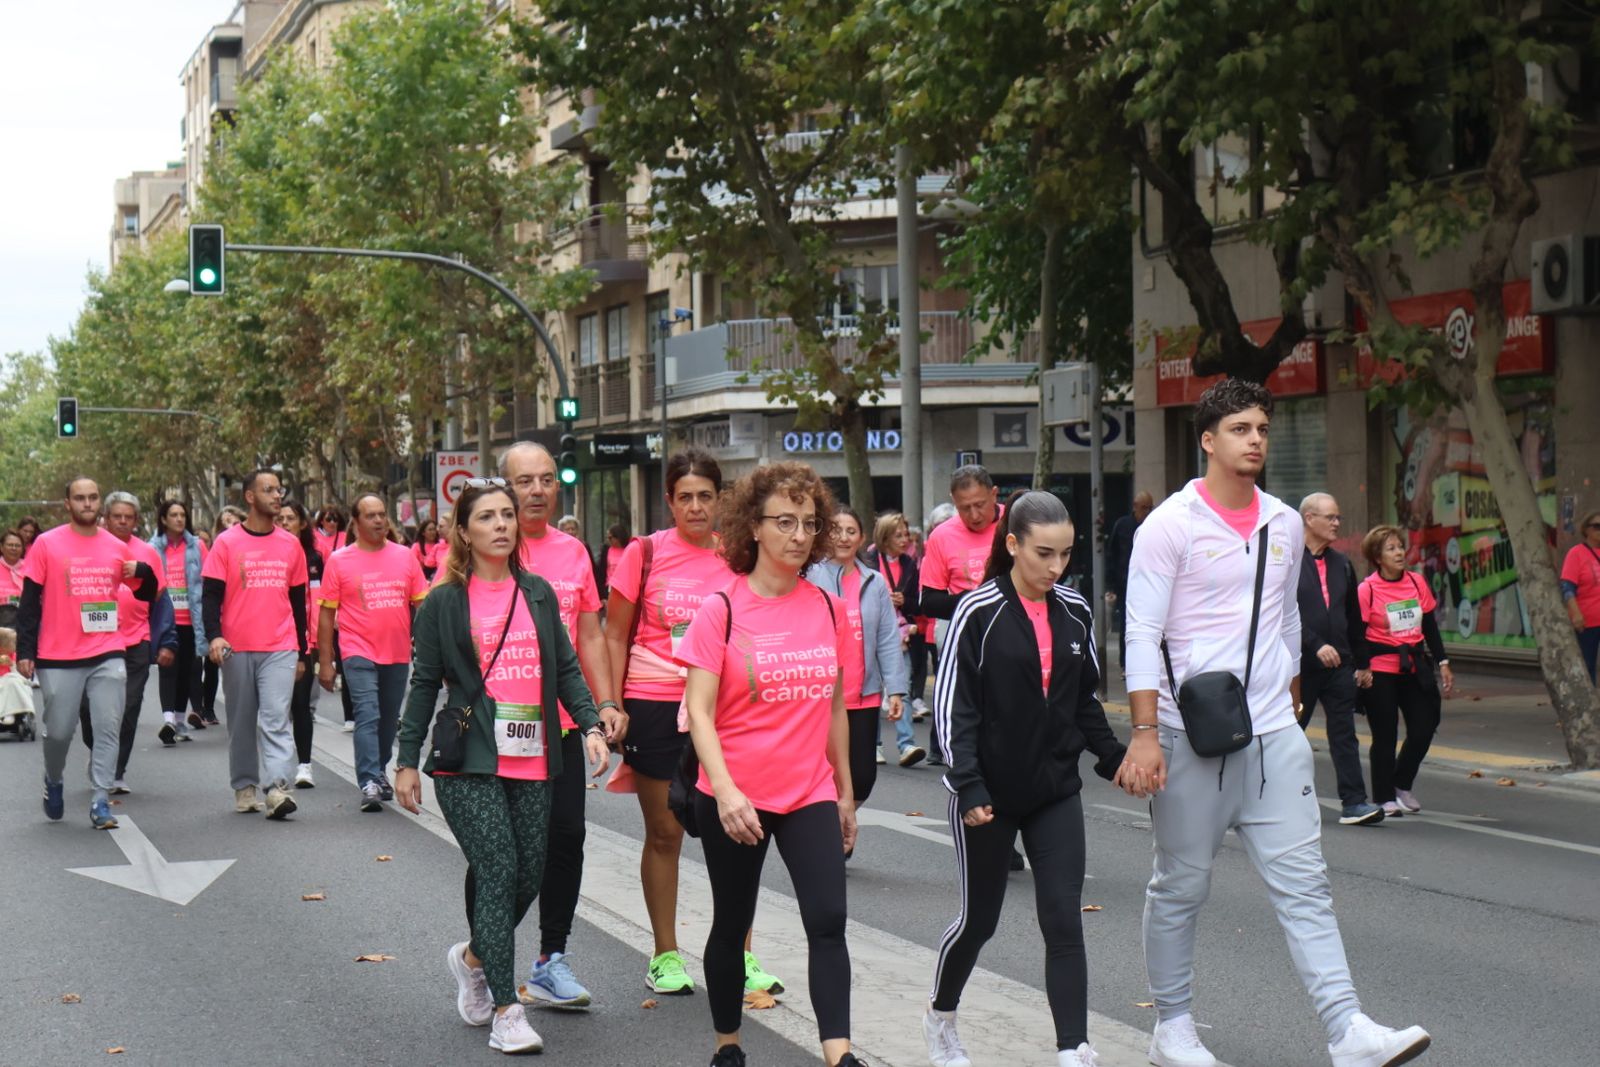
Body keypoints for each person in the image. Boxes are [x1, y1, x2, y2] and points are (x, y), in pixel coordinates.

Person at [1122, 379, 1430, 1067]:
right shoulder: (1169, 525)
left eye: (1262, 427)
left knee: (1306, 885)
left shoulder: (1285, 523)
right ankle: (1172, 1028)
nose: (1255, 439)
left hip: (1272, 736)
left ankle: (1348, 1030)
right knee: (1180, 886)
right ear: (1208, 440)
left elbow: (1287, 616)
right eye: (1240, 428)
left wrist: (1290, 695)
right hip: (1188, 734)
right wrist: (1144, 733)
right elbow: (1140, 632)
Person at [393, 479, 610, 1057]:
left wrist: (590, 723)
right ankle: (507, 1010)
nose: (501, 525)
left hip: (534, 756)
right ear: (464, 532)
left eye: (507, 515)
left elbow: (566, 667)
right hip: (468, 759)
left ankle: (472, 959)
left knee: (527, 878)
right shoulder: (443, 601)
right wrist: (406, 760)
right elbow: (423, 684)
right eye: (486, 517)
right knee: (497, 868)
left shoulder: (537, 593)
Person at [926, 491, 1126, 1067]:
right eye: (1044, 553)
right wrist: (968, 784)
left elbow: (1083, 700)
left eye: (1065, 554)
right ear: (1013, 545)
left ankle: (1073, 1047)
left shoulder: (1075, 610)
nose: (1056, 567)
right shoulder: (977, 611)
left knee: (1063, 918)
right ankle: (941, 1017)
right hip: (988, 794)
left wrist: (1113, 759)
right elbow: (954, 709)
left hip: (1054, 790)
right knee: (978, 922)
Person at [677, 461, 864, 1067]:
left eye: (810, 523)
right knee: (733, 923)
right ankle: (728, 1044)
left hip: (808, 790)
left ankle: (839, 1055)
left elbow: (834, 705)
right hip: (735, 795)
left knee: (829, 919)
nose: (799, 535)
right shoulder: (721, 608)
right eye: (785, 522)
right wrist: (725, 791)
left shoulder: (829, 608)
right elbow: (699, 711)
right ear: (753, 527)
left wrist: (844, 792)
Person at [606, 448, 783, 998]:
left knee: (739, 833)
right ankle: (665, 955)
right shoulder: (644, 553)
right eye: (685, 497)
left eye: (705, 496)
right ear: (670, 501)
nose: (696, 507)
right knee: (665, 832)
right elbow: (614, 634)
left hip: (726, 706)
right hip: (655, 700)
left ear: (720, 499)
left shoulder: (738, 555)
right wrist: (612, 704)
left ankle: (740, 954)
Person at [487, 443, 625, 1008]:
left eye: (547, 479)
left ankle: (551, 959)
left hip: (563, 724)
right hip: (500, 725)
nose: (538, 490)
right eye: (525, 481)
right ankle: (484, 954)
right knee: (506, 852)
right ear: (504, 487)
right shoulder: (483, 550)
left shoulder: (573, 553)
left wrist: (605, 702)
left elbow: (589, 634)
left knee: (566, 836)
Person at [15, 478, 157, 829]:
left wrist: (144, 572)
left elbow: (145, 593)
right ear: (68, 504)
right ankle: (53, 778)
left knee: (108, 726)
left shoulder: (116, 547)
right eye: (80, 498)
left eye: (93, 497)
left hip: (107, 649)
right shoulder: (47, 544)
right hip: (58, 655)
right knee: (59, 732)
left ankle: (100, 800)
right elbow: (29, 602)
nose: (87, 503)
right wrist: (25, 650)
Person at [202, 469, 309, 820]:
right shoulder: (226, 543)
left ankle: (277, 788)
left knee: (276, 718)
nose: (277, 496)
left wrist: (303, 652)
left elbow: (298, 602)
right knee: (242, 720)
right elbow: (210, 596)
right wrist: (214, 635)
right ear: (250, 497)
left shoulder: (291, 544)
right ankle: (245, 785)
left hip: (280, 645)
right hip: (237, 646)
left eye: (279, 490)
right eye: (269, 490)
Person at [318, 493, 430, 812]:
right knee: (367, 713)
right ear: (356, 522)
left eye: (382, 514)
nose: (379, 520)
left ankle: (378, 771)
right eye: (371, 515)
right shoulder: (339, 560)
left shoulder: (405, 556)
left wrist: (430, 650)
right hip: (357, 650)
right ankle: (368, 779)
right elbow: (326, 614)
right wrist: (325, 662)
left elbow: (422, 606)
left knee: (388, 720)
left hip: (396, 652)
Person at [807, 505, 909, 845]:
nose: (843, 537)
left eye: (851, 531)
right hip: (821, 697)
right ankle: (830, 838)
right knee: (825, 774)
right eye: (836, 530)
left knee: (862, 778)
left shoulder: (874, 581)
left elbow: (887, 637)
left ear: (862, 538)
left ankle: (841, 822)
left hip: (863, 695)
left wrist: (896, 689)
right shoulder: (809, 577)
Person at [78, 492, 179, 795]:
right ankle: (99, 752)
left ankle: (115, 771)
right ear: (105, 518)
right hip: (93, 641)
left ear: (136, 521)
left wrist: (168, 641)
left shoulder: (147, 553)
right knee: (88, 708)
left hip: (136, 641)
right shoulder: (89, 547)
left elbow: (161, 600)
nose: (122, 521)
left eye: (129, 517)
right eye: (117, 516)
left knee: (129, 706)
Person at [1296, 494, 1383, 826]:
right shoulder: (1288, 561)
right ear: (1309, 519)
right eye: (1330, 517)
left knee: (1344, 734)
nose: (1336, 524)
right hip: (1300, 667)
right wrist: (1314, 644)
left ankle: (1354, 802)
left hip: (1339, 665)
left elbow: (1353, 616)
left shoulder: (1341, 564)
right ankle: (1266, 798)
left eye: (1338, 518)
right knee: (1289, 735)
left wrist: (1362, 662)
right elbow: (1280, 613)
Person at [1356, 525, 1454, 819]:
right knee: (1385, 734)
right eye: (1391, 549)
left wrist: (1443, 662)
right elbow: (1357, 634)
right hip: (1380, 669)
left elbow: (1430, 626)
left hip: (1414, 665)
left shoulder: (1416, 582)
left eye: (1400, 547)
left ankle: (1401, 782)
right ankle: (1384, 796)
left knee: (1425, 725)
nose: (1399, 553)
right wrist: (1362, 667)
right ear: (1377, 557)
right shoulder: (1367, 589)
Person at [920, 468, 1003, 766]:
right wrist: (975, 602)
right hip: (967, 636)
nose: (974, 515)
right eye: (964, 508)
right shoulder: (942, 536)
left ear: (994, 494)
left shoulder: (1017, 521)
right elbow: (929, 601)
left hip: (1016, 634)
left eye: (980, 504)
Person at [860, 511, 926, 766]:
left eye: (906, 534)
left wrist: (905, 602)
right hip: (871, 632)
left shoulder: (910, 563)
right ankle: (874, 744)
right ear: (885, 537)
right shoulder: (869, 562)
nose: (904, 539)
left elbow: (917, 601)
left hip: (900, 633)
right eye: (898, 535)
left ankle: (906, 744)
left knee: (902, 687)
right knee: (873, 690)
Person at [150, 500, 210, 736]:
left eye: (182, 515)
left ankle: (179, 719)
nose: (179, 519)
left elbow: (208, 579)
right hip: (166, 619)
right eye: (174, 515)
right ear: (164, 519)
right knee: (167, 668)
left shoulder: (197, 546)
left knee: (186, 670)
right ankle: (168, 721)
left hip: (191, 620)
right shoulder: (152, 548)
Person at [278, 500, 325, 789]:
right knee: (276, 709)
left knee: (300, 703)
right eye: (280, 518)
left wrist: (317, 641)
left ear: (303, 524)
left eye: (290, 518)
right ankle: (278, 767)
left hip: (303, 641)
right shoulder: (271, 554)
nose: (284, 523)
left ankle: (304, 766)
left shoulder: (314, 558)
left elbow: (320, 601)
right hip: (273, 641)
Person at [199, 506, 247, 726]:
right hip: (218, 617)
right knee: (212, 664)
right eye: (225, 523)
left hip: (240, 618)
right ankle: (207, 708)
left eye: (235, 523)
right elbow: (209, 591)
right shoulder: (217, 548)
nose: (230, 527)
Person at [1105, 491, 1154, 673]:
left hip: (1147, 583)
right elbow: (1112, 554)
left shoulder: (1154, 524)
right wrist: (1111, 585)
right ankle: (1125, 663)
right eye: (1144, 508)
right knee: (1127, 625)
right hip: (1125, 584)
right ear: (1135, 507)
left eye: (1150, 508)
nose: (1147, 512)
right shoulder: (1123, 525)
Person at [1561, 509, 1600, 683]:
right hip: (1587, 621)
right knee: (1587, 665)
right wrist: (1576, 614)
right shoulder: (1576, 553)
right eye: (1597, 526)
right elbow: (1567, 587)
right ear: (1586, 529)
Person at [601, 522, 633, 598]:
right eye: (607, 538)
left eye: (610, 538)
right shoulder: (607, 550)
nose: (608, 540)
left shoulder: (630, 549)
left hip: (626, 587)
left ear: (618, 537)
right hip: (611, 587)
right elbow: (603, 571)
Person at [1, 529, 25, 628]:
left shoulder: (30, 568)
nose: (14, 548)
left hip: (24, 618)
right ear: (1, 547)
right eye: (10, 545)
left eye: (17, 545)